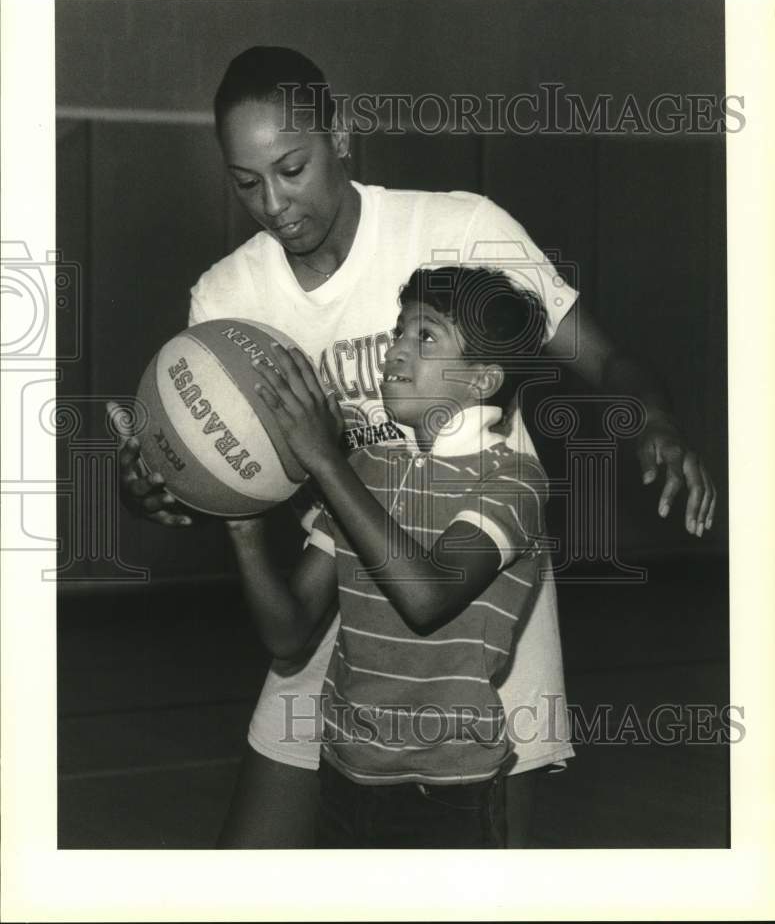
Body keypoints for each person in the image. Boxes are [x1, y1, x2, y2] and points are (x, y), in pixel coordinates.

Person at [109, 45, 717, 848]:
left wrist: (656, 423)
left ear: (342, 134)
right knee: (247, 871)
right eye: (246, 182)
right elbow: (214, 474)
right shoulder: (228, 297)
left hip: (477, 599)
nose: (274, 204)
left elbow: (602, 358)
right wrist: (152, 486)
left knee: (478, 877)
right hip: (343, 583)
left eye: (291, 168)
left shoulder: (460, 228)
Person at [228, 265, 552, 847]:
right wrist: (241, 520)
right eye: (398, 333)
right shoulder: (366, 473)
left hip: (447, 790)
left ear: (482, 380)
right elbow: (288, 632)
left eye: (425, 337)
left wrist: (325, 462)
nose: (394, 352)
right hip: (343, 772)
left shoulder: (513, 482)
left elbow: (426, 597)